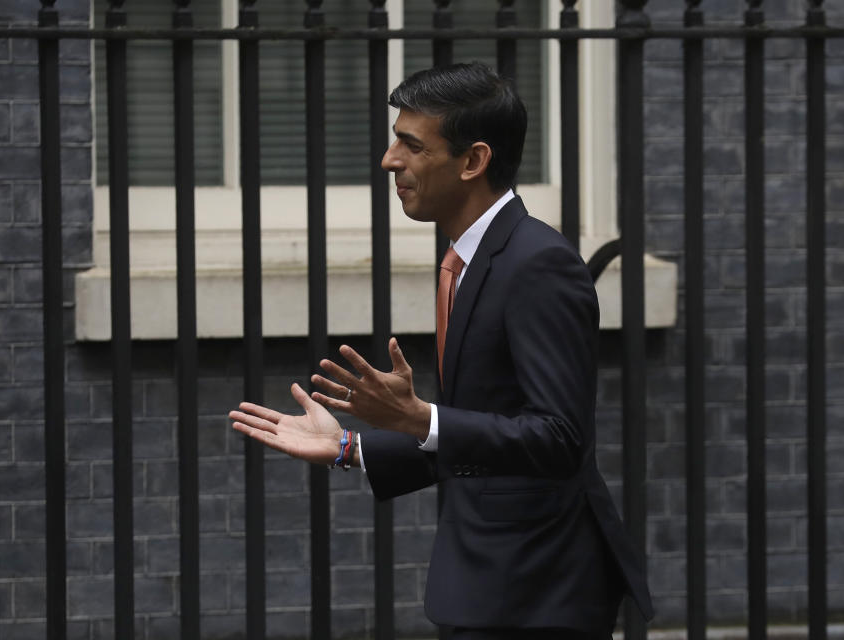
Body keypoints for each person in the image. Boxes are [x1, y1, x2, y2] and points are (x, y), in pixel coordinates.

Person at [229, 62, 653, 639]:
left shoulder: (537, 264)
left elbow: (559, 439)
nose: (389, 161)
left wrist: (420, 417)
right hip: (490, 587)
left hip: (536, 594)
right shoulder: (472, 258)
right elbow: (484, 432)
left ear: (473, 160)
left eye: (410, 145)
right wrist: (349, 447)